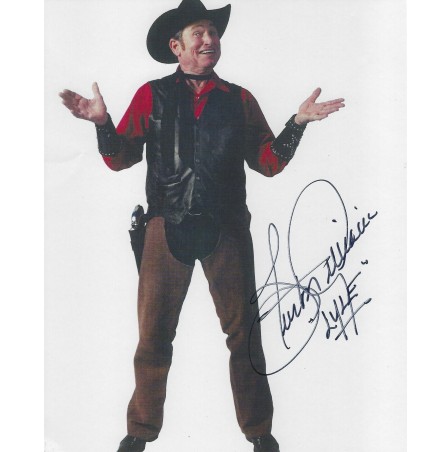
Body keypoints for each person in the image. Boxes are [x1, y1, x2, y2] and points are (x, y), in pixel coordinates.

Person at [59, 0, 345, 450]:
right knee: (153, 336)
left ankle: (259, 433)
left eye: (213, 31)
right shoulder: (152, 95)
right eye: (199, 33)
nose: (209, 39)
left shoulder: (239, 99)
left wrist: (297, 124)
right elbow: (120, 159)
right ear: (176, 46)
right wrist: (102, 124)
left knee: (243, 335)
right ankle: (139, 432)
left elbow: (268, 163)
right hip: (164, 228)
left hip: (226, 229)